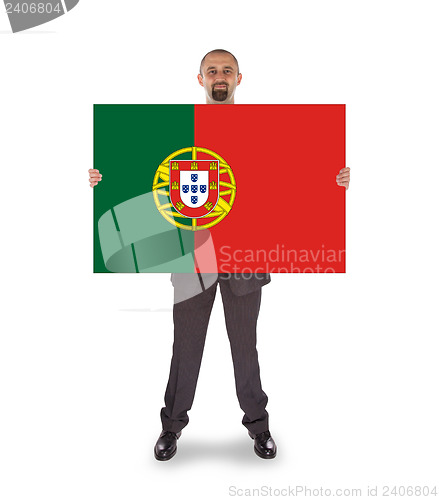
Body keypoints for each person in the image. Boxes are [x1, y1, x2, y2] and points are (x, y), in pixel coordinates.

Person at [89, 49, 351, 461]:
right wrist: (108, 178)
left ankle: (258, 426)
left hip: (245, 259)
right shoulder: (176, 131)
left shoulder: (261, 130)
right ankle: (171, 427)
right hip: (192, 258)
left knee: (245, 347)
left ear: (239, 78)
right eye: (212, 71)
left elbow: (290, 175)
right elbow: (143, 175)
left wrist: (330, 178)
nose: (219, 76)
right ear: (201, 80)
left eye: (226, 70)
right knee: (186, 347)